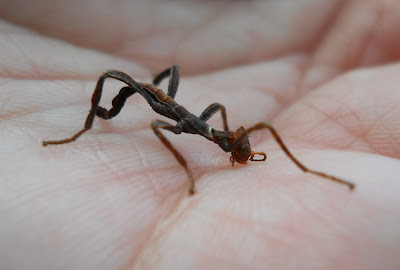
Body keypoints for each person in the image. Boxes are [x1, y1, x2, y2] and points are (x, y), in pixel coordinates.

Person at [0, 1, 399, 269]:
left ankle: (307, 169)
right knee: (133, 91)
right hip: (164, 105)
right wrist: (189, 175)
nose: (232, 143)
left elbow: (221, 121)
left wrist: (227, 141)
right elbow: (168, 120)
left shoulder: (216, 128)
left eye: (232, 143)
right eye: (233, 143)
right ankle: (84, 128)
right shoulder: (184, 123)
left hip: (185, 113)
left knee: (158, 91)